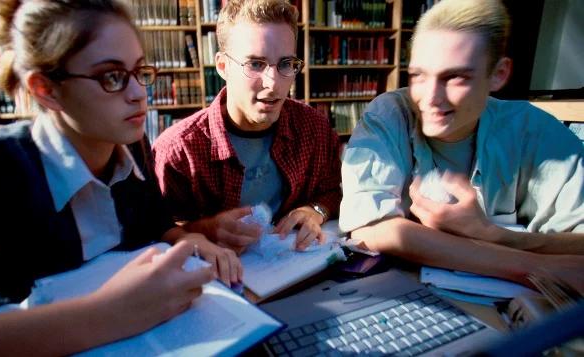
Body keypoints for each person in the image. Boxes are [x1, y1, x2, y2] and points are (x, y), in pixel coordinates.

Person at [0, 0, 231, 354]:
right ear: (46, 89)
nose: (139, 93)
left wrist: (189, 240)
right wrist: (107, 315)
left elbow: (156, 224)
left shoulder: (132, 143)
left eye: (139, 72)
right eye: (112, 76)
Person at [340, 0, 584, 291]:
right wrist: (535, 267)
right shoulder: (389, 114)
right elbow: (371, 227)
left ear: (499, 74)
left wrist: (493, 234)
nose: (430, 97)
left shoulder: (535, 129)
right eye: (418, 75)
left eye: (455, 77)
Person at [152, 0, 342, 256]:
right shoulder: (177, 150)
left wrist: (315, 211)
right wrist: (207, 229)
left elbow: (333, 191)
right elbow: (157, 231)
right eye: (255, 64)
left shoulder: (315, 127)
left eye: (285, 64)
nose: (273, 84)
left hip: (299, 271)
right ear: (222, 66)